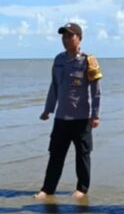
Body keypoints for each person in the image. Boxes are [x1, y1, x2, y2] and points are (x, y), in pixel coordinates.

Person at [35, 22, 102, 200]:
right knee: (55, 155)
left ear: (79, 38)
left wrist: (95, 115)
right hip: (61, 117)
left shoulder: (89, 61)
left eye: (70, 36)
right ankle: (47, 189)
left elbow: (95, 91)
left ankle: (82, 189)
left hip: (81, 118)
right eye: (63, 36)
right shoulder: (58, 60)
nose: (66, 39)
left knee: (83, 155)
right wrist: (48, 109)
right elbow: (54, 86)